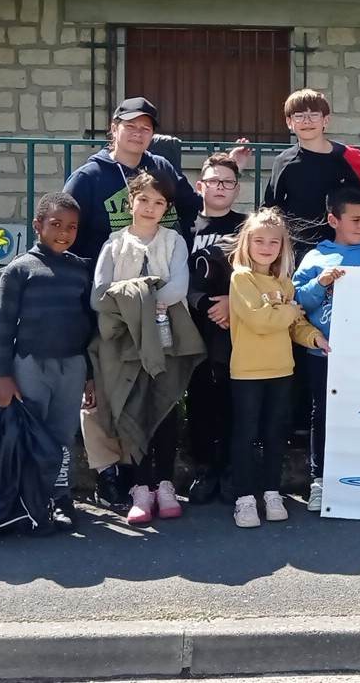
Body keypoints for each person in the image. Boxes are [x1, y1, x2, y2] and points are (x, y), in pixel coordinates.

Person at [89, 171, 197, 526]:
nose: (150, 207)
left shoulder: (173, 241)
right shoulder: (114, 244)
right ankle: (140, 488)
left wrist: (137, 299)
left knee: (164, 405)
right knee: (132, 405)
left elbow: (177, 287)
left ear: (167, 208)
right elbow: (100, 295)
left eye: (159, 202)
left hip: (166, 339)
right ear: (130, 202)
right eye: (144, 200)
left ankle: (164, 484)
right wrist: (142, 305)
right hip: (126, 341)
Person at [0, 191, 96, 530]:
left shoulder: (80, 269)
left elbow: (89, 324)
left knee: (62, 434)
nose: (64, 232)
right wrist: (3, 375)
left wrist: (90, 375)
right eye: (55, 224)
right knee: (32, 433)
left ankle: (60, 497)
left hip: (72, 364)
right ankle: (30, 499)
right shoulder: (19, 270)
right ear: (37, 225)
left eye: (72, 227)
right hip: (31, 364)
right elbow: (3, 325)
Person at [292, 188, 360, 512]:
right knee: (322, 414)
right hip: (324, 354)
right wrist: (320, 283)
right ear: (333, 220)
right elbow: (298, 303)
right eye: (355, 220)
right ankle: (319, 480)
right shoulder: (315, 258)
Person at [228, 208, 328, 529]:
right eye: (259, 240)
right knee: (245, 435)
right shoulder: (241, 278)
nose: (266, 247)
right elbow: (259, 320)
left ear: (283, 247)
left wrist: (314, 337)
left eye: (274, 242)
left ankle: (272, 492)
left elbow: (295, 325)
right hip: (247, 373)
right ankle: (244, 498)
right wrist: (290, 310)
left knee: (275, 434)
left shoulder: (284, 282)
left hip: (282, 371)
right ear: (247, 243)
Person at [63, 96, 203, 262]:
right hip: (105, 273)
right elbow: (65, 230)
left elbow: (193, 209)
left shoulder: (163, 168)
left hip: (165, 271)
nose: (138, 133)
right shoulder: (87, 178)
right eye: (130, 126)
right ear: (114, 129)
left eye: (145, 128)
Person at [183, 152, 248, 505]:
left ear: (237, 189)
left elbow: (261, 271)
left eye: (227, 182)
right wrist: (206, 305)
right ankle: (204, 468)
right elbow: (178, 273)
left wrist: (232, 304)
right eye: (213, 181)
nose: (220, 187)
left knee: (233, 400)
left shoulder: (247, 227)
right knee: (200, 399)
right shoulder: (186, 227)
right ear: (200, 186)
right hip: (196, 326)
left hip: (238, 327)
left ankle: (232, 470)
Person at [264, 88, 360, 259]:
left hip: (344, 249)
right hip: (299, 250)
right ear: (289, 122)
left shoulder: (349, 157)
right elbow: (272, 206)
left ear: (326, 120)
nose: (307, 121)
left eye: (314, 115)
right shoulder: (283, 162)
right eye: (299, 116)